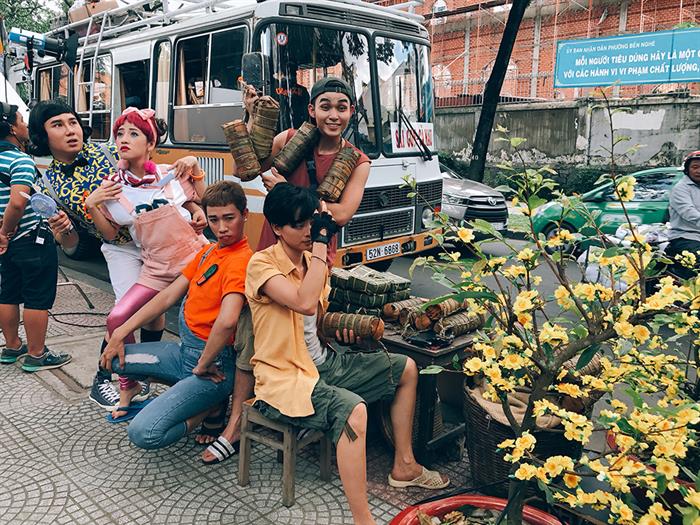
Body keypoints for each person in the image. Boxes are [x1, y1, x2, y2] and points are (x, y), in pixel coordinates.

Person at [245, 184, 448, 525]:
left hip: (325, 363)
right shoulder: (261, 264)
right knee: (353, 411)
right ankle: (363, 520)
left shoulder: (311, 261)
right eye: (299, 225)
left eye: (312, 222)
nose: (309, 231)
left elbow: (313, 320)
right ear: (277, 228)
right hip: (284, 378)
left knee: (406, 368)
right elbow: (303, 302)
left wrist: (338, 330)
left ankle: (404, 466)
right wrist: (321, 246)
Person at [201, 76, 370, 461]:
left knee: (304, 340)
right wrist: (252, 121)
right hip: (272, 256)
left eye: (342, 107)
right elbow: (249, 167)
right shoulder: (290, 139)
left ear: (351, 112)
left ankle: (303, 409)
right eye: (325, 106)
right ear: (312, 110)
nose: (333, 114)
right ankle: (234, 426)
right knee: (251, 340)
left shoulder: (357, 161)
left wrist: (285, 192)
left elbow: (342, 213)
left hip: (315, 260)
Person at [28, 100, 204, 410]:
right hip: (120, 247)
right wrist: (64, 229)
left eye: (72, 122)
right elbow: (71, 243)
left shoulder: (110, 150)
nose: (70, 130)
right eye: (58, 125)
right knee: (126, 312)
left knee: (154, 312)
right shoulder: (49, 185)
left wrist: (192, 201)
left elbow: (156, 183)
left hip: (155, 238)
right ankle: (106, 378)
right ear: (43, 136)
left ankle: (144, 373)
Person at [100, 180, 253, 449]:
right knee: (110, 360)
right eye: (214, 220)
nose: (222, 228)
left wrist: (203, 364)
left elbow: (228, 321)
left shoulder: (241, 261)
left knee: (144, 433)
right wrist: (120, 333)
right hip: (184, 354)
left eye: (229, 218)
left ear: (245, 215)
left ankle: (207, 407)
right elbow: (168, 296)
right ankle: (198, 395)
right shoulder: (208, 251)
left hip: (212, 366)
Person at [90, 107, 208, 420]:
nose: (123, 139)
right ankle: (130, 384)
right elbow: (111, 234)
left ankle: (209, 388)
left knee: (207, 321)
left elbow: (203, 203)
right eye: (119, 133)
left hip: (197, 258)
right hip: (155, 267)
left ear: (151, 143)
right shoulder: (111, 187)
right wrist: (93, 205)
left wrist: (197, 197)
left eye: (133, 133)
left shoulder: (171, 173)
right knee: (117, 318)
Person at [0, 103, 71, 371]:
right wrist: (6, 232)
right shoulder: (20, 160)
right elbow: (18, 202)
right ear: (11, 128)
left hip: (4, 245)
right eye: (21, 120)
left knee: (7, 293)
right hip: (30, 238)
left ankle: (12, 346)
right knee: (36, 298)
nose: (26, 126)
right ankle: (37, 354)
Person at [667, 150, 700, 279]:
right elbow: (689, 212)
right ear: (687, 170)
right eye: (695, 167)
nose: (698, 171)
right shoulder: (681, 188)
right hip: (686, 237)